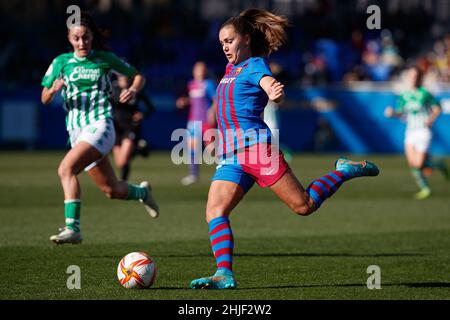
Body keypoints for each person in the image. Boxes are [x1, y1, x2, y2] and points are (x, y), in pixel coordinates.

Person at [189, 8, 379, 290]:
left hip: (256, 150)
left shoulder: (255, 65)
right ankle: (223, 274)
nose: (225, 47)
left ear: (246, 39)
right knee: (215, 211)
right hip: (231, 157)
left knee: (304, 205)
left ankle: (344, 171)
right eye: (221, 43)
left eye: (229, 40)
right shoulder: (230, 70)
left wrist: (273, 91)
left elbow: (268, 83)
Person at [41, 12, 159, 245]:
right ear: (69, 38)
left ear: (92, 37)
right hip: (77, 133)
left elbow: (137, 76)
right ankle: (143, 193)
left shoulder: (104, 59)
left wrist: (134, 90)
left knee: (66, 169)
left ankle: (73, 228)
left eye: (85, 37)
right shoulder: (60, 63)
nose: (82, 43)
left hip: (100, 125)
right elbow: (44, 97)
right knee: (112, 189)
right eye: (77, 38)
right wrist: (53, 90)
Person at [385, 66, 448, 200]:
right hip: (410, 132)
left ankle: (440, 165)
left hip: (423, 131)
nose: (412, 79)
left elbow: (437, 108)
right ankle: (425, 188)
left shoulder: (424, 93)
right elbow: (400, 112)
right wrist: (392, 113)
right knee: (413, 164)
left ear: (419, 78)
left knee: (419, 164)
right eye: (410, 76)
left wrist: (430, 120)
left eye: (415, 76)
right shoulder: (404, 95)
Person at [176, 61, 217, 186]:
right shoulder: (191, 84)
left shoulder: (208, 84)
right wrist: (185, 101)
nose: (200, 72)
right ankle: (193, 175)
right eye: (198, 69)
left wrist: (212, 112)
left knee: (211, 149)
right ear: (194, 71)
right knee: (193, 149)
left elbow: (216, 99)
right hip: (193, 121)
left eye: (203, 69)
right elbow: (193, 100)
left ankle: (224, 168)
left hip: (206, 121)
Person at [112, 74, 154, 181]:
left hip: (130, 126)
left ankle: (122, 182)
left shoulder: (135, 89)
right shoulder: (112, 88)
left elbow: (150, 107)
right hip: (116, 127)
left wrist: (142, 114)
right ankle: (139, 149)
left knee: (123, 160)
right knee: (119, 162)